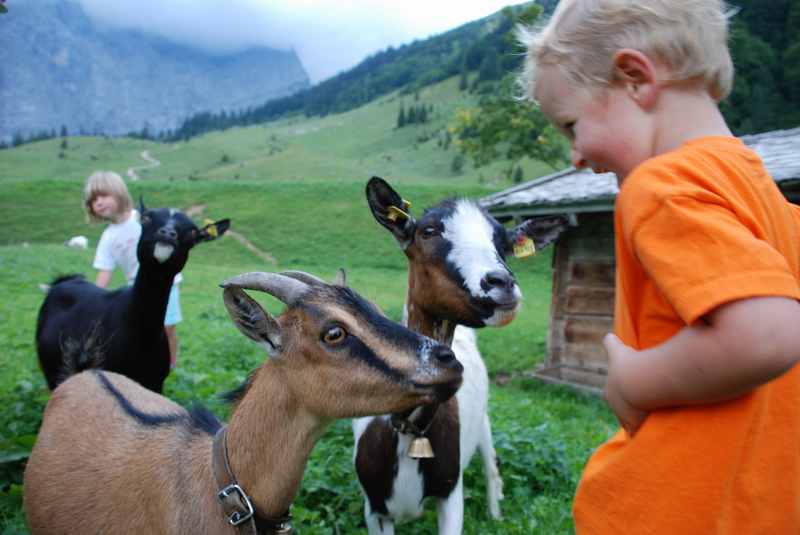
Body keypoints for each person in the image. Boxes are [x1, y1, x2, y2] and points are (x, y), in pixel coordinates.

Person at [520, 1, 800, 532]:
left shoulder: (662, 186)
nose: (575, 155)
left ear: (634, 78)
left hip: (674, 509)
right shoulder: (773, 205)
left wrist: (633, 382)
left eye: (572, 125)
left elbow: (768, 336)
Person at [83, 170, 182, 369]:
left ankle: (170, 364)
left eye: (103, 196)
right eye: (94, 200)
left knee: (167, 327)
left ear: (119, 193)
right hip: (137, 287)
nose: (99, 203)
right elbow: (104, 271)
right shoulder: (108, 238)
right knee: (142, 327)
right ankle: (144, 360)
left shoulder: (144, 219)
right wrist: (92, 298)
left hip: (165, 283)